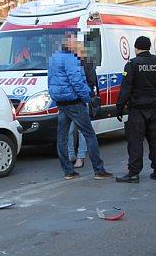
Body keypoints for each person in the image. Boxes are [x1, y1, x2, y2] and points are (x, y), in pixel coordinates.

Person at [48, 34, 113, 181]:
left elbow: (51, 81)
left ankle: (68, 171)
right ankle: (98, 170)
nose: (78, 44)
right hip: (74, 102)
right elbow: (76, 82)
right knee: (89, 134)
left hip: (61, 103)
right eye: (75, 42)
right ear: (70, 44)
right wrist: (87, 98)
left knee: (62, 137)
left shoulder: (54, 58)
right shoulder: (71, 59)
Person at [115, 35, 156, 183]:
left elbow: (126, 88)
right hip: (155, 107)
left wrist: (119, 107)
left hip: (137, 109)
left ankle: (133, 173)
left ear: (136, 48)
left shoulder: (132, 64)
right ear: (149, 47)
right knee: (155, 139)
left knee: (135, 140)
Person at [69, 41, 99, 168]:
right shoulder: (69, 62)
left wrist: (84, 94)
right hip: (70, 100)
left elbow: (91, 82)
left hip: (81, 100)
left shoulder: (86, 63)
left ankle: (80, 157)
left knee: (79, 131)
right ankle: (72, 155)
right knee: (70, 130)